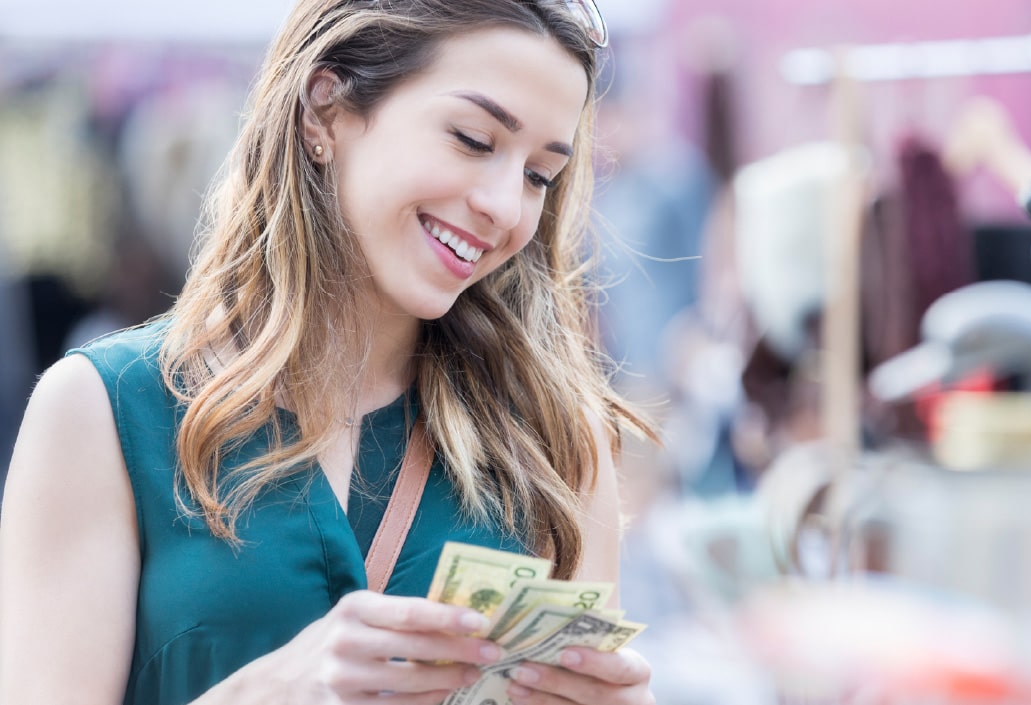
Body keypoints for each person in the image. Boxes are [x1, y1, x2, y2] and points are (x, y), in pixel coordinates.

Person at [0, 2, 656, 704]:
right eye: (472, 139)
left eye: (539, 177)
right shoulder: (105, 408)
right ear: (325, 110)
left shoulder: (557, 442)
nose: (505, 205)